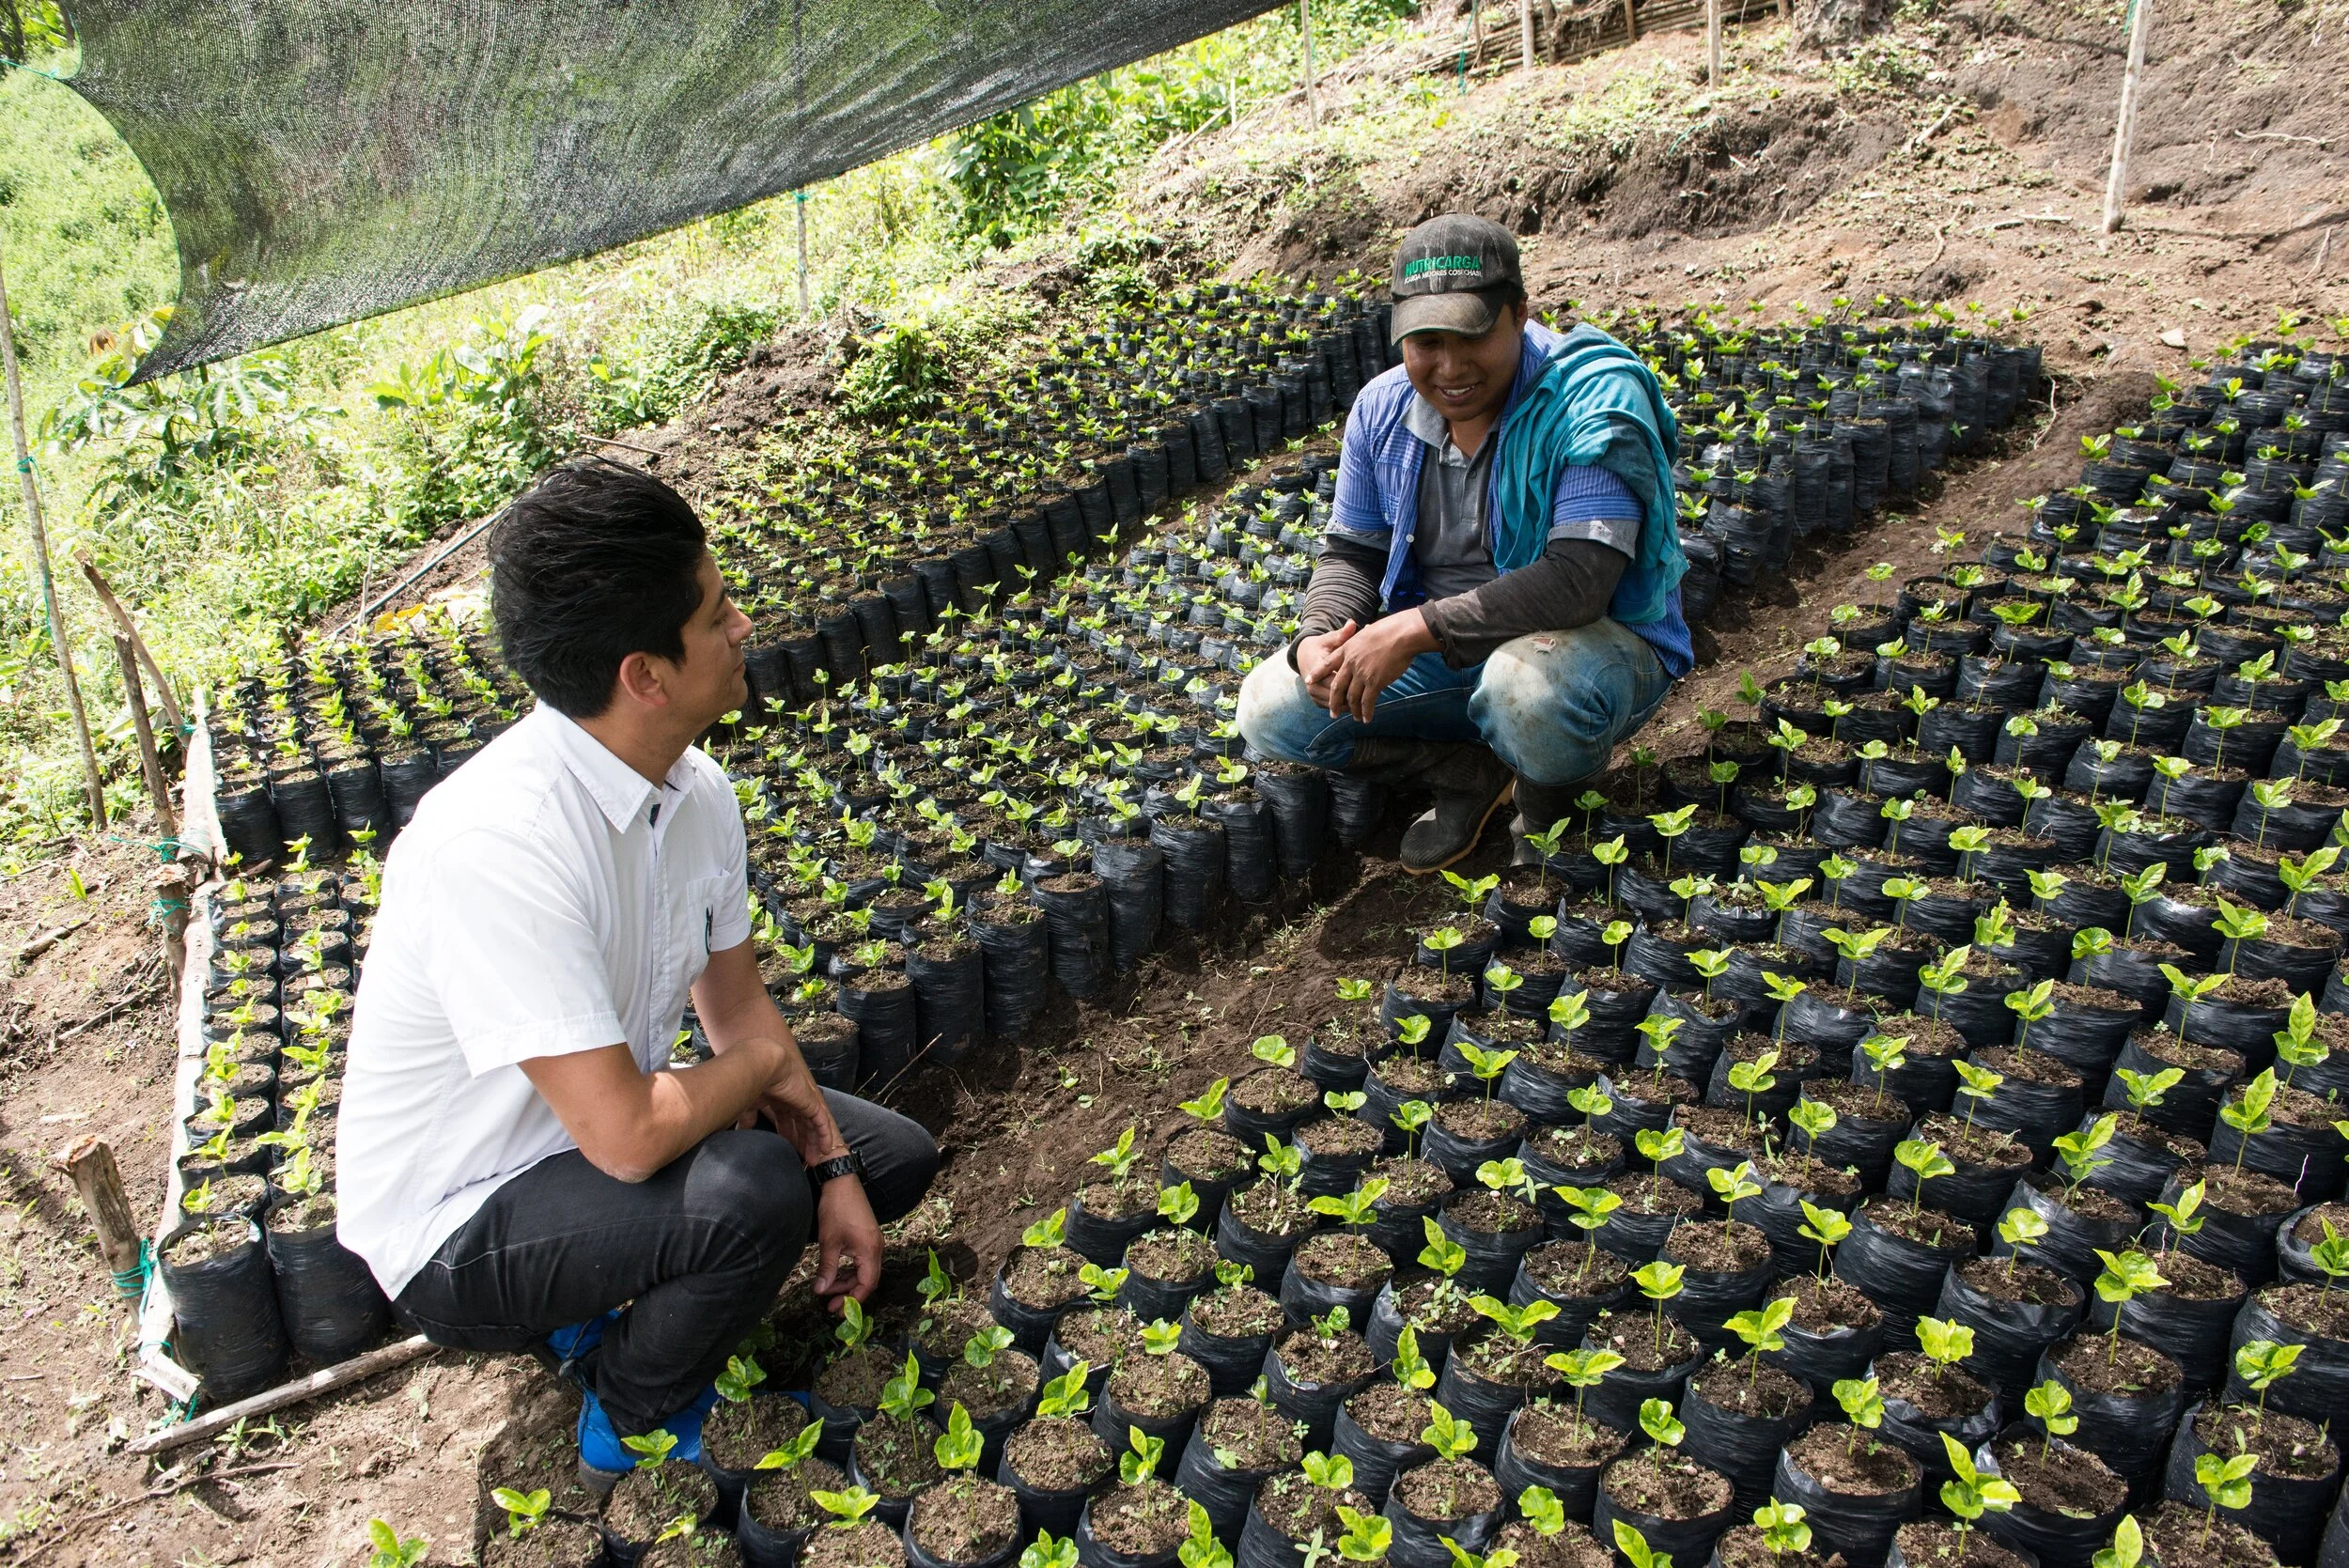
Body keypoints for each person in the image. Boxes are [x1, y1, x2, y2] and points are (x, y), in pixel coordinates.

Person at [336, 457, 938, 1483]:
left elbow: (736, 1006)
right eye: (715, 614)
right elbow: (631, 1135)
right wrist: (764, 1086)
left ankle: (615, 1284)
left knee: (892, 1160)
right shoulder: (500, 845)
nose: (743, 624)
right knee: (752, 1190)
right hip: (463, 1218)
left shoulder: (691, 790)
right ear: (644, 675)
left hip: (583, 1147)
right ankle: (634, 1413)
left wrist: (832, 1163)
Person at [1237, 214, 1694, 874]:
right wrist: (1317, 637)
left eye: (1473, 335)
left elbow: (1579, 580)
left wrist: (1411, 629)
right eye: (1426, 342)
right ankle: (1467, 771)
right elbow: (1353, 553)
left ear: (1519, 315)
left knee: (1527, 692)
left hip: (1586, 642)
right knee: (1271, 706)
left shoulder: (1588, 402)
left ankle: (1548, 809)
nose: (1450, 367)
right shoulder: (1381, 409)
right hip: (1447, 650)